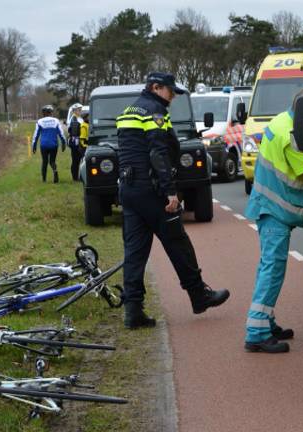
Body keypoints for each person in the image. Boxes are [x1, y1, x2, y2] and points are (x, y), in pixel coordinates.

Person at [115, 72, 230, 329]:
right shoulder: (154, 111)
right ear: (156, 87)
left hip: (130, 190)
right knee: (178, 243)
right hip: (152, 190)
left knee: (134, 252)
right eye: (169, 91)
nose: (173, 97)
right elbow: (158, 153)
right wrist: (170, 192)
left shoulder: (128, 111)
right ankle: (199, 296)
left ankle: (132, 310)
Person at [243, 89, 303, 353]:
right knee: (272, 270)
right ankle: (256, 333)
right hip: (275, 209)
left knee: (268, 267)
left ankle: (267, 322)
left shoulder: (280, 120)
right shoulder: (294, 136)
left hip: (267, 206)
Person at [31, 105, 66, 183]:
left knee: (44, 161)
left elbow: (36, 135)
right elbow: (61, 133)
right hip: (54, 144)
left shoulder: (40, 121)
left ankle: (44, 180)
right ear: (51, 112)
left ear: (44, 113)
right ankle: (55, 171)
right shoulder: (56, 121)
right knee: (52, 161)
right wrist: (63, 143)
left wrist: (34, 145)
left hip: (44, 145)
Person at [67, 103, 84, 181]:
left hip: (79, 141)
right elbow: (74, 132)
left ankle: (80, 176)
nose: (80, 111)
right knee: (75, 160)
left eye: (80, 109)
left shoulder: (80, 118)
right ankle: (75, 177)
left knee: (80, 159)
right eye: (79, 109)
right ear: (74, 111)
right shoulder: (74, 119)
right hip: (75, 142)